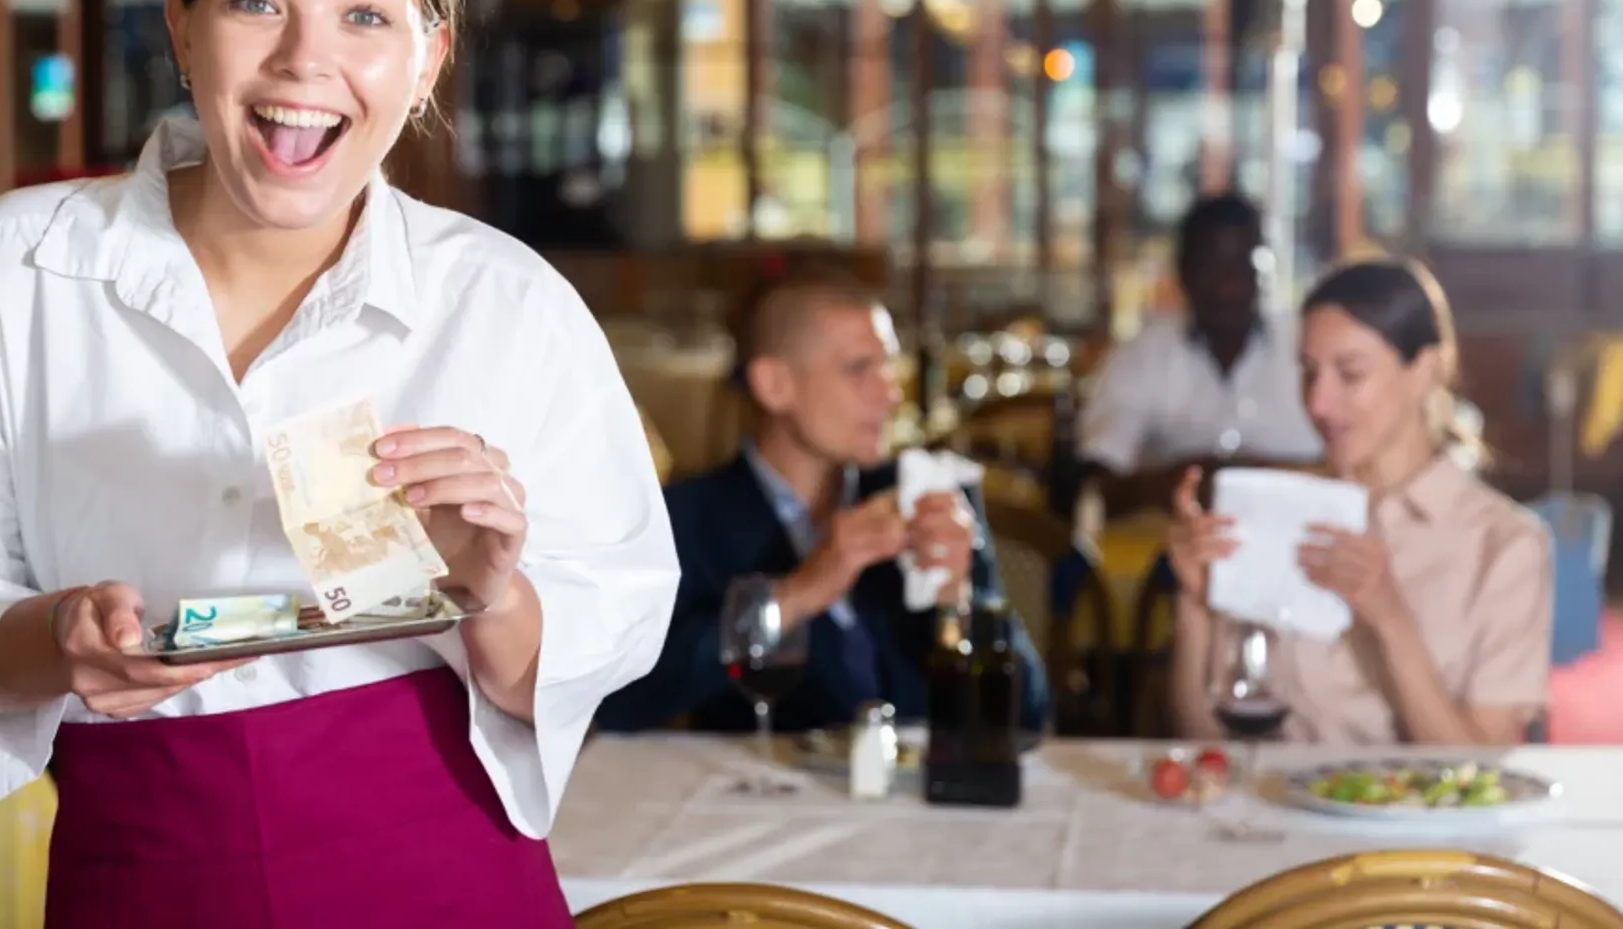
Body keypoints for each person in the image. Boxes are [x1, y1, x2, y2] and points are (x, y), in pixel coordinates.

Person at [0, 0, 678, 927]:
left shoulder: (506, 304)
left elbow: (591, 648)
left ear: (428, 58)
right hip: (143, 870)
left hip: (441, 876)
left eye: (365, 15)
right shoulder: (21, 266)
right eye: (254, 3)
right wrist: (56, 641)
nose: (303, 62)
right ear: (181, 25)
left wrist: (487, 595)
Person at [596, 272, 1049, 734]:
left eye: (888, 366)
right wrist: (797, 594)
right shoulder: (686, 518)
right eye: (859, 369)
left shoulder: (927, 500)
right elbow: (619, 704)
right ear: (774, 384)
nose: (891, 394)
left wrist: (959, 602)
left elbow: (1030, 715)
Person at [1165, 258, 1552, 745]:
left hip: (1415, 798)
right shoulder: (1276, 510)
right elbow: (1202, 741)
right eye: (1309, 373)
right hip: (1275, 794)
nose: (1317, 404)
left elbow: (1482, 770)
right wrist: (1194, 604)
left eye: (1350, 374)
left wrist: (1390, 619)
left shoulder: (1504, 544)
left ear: (1425, 370)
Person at [1073, 193, 1322, 521]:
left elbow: (1357, 467)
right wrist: (1167, 484)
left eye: (1241, 264)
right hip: (1175, 538)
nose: (1227, 284)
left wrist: (1260, 477)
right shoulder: (1143, 354)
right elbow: (1098, 475)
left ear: (1261, 271)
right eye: (1212, 266)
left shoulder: (1309, 346)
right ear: (1183, 271)